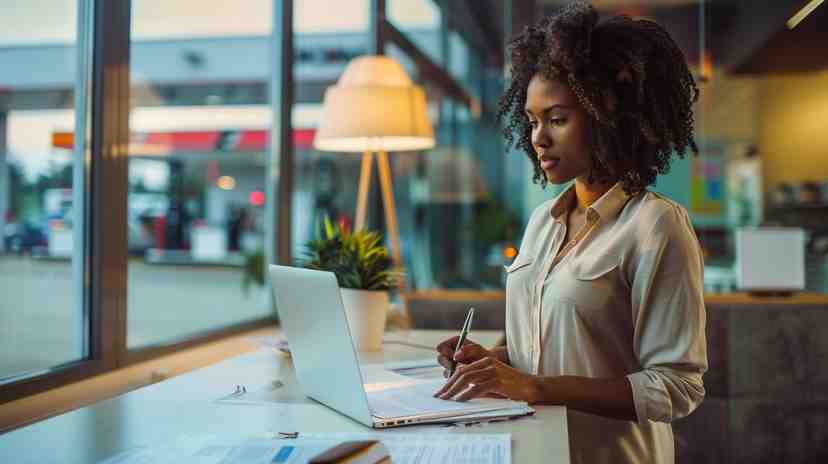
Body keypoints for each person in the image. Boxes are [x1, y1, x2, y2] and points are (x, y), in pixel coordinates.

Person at [433, 2, 707, 463]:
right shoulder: (543, 222)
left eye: (557, 119)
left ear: (606, 116)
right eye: (533, 120)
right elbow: (549, 349)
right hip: (533, 450)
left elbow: (677, 387)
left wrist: (535, 386)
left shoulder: (656, 226)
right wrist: (494, 361)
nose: (539, 137)